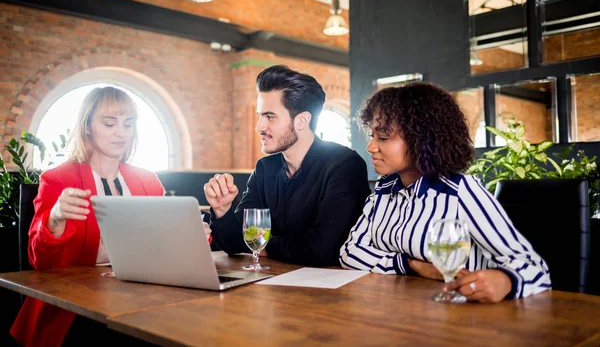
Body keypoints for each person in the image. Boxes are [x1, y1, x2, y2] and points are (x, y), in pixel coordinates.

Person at [11, 87, 209, 346]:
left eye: (128, 124)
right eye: (109, 123)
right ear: (87, 127)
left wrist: (189, 236)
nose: (121, 132)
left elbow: (161, 248)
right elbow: (40, 263)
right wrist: (55, 218)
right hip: (76, 309)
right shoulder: (58, 179)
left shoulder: (148, 182)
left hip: (140, 300)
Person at [339, 83, 551, 303]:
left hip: (462, 317)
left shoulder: (461, 192)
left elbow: (534, 267)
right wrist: (412, 264)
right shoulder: (384, 190)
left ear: (420, 140)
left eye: (382, 137)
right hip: (401, 312)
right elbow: (350, 252)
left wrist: (506, 280)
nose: (371, 147)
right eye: (372, 135)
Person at [204, 65, 370, 266]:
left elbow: (323, 250)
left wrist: (265, 246)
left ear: (302, 120)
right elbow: (235, 243)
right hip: (271, 287)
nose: (259, 127)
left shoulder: (344, 166)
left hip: (329, 292)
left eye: (270, 116)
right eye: (260, 116)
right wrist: (222, 209)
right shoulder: (265, 168)